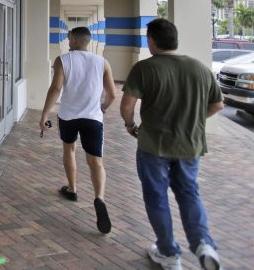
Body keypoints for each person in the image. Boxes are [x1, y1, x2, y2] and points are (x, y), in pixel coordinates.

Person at [121, 18, 224, 270]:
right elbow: (217, 105)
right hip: (189, 145)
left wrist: (130, 125)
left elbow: (126, 106)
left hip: (153, 145)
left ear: (152, 40)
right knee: (189, 193)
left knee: (156, 197)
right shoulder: (199, 68)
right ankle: (203, 244)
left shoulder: (145, 68)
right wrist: (193, 119)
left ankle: (169, 253)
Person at [40, 26, 117, 234]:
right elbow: (112, 94)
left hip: (68, 116)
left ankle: (72, 189)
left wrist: (44, 114)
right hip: (93, 118)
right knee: (95, 161)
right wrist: (103, 107)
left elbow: (56, 88)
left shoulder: (63, 60)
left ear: (73, 39)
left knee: (69, 150)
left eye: (68, 38)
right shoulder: (102, 62)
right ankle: (99, 197)